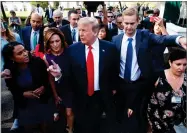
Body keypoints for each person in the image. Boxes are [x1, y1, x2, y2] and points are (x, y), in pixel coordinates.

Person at [112, 7, 187, 133]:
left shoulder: (145, 35)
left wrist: (179, 39)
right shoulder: (115, 40)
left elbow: (162, 39)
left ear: (138, 22)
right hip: (121, 84)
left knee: (138, 117)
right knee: (121, 115)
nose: (129, 27)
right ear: (121, 23)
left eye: (132, 23)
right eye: (126, 23)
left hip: (139, 84)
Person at [47, 17, 118, 133]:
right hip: (81, 98)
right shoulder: (72, 50)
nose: (80, 34)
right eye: (79, 30)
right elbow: (68, 77)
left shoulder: (110, 48)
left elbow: (114, 71)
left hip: (103, 97)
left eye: (84, 30)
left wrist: (113, 89)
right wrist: (59, 75)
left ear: (95, 31)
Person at [2, 41, 53, 133]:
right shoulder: (10, 70)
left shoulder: (38, 62)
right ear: (11, 57)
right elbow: (12, 89)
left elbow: (47, 81)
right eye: (20, 53)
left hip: (42, 102)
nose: (25, 54)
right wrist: (23, 94)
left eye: (25, 50)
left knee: (46, 128)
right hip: (25, 106)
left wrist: (43, 87)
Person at [147, 47, 186, 133]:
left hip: (180, 124)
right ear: (170, 62)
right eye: (178, 64)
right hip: (158, 122)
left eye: (185, 64)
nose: (182, 68)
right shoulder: (158, 76)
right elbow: (146, 97)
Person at [43, 28, 73, 133]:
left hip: (70, 87)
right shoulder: (46, 57)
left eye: (57, 41)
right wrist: (55, 94)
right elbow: (50, 78)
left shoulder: (69, 52)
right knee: (59, 112)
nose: (55, 44)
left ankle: (70, 129)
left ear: (62, 40)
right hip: (57, 88)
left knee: (69, 113)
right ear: (48, 43)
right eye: (52, 42)